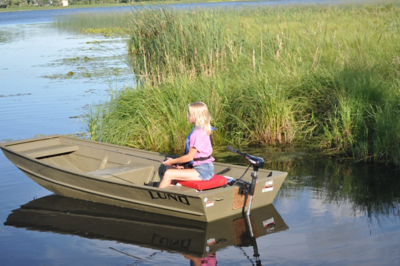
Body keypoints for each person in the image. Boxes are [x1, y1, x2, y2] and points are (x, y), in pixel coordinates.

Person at [159, 102, 215, 188]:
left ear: (196, 115)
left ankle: (161, 199)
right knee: (170, 167)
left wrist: (173, 161)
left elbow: (189, 157)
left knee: (168, 174)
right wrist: (177, 163)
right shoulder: (204, 129)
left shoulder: (196, 134)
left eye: (189, 113)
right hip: (205, 168)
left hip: (202, 171)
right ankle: (172, 192)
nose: (187, 116)